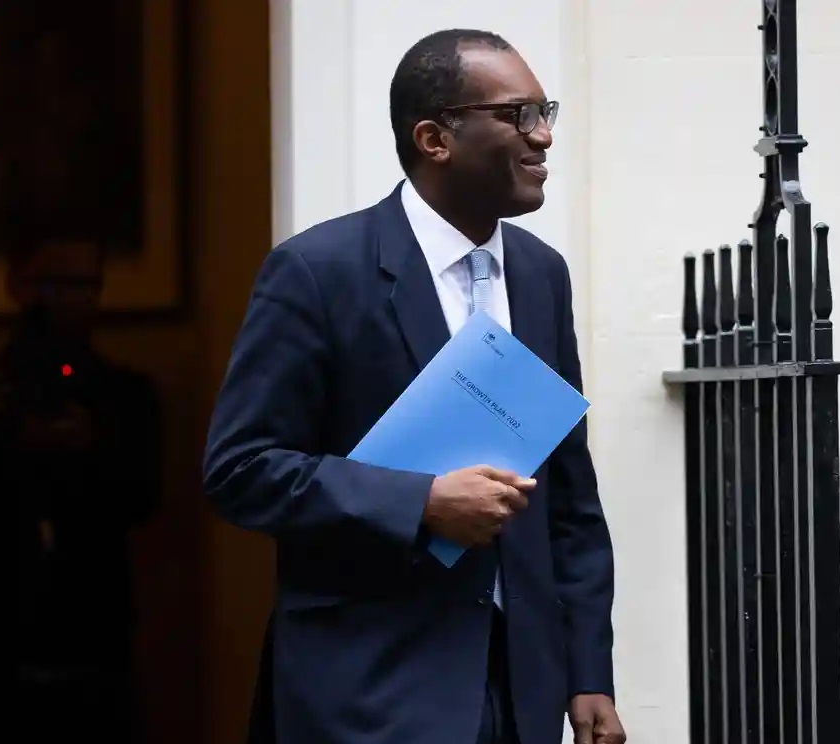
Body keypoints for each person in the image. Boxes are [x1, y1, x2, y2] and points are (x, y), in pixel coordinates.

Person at [203, 28, 625, 744]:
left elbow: (569, 496)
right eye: (517, 114)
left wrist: (588, 671)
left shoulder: (539, 273)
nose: (544, 136)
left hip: (520, 690)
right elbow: (242, 470)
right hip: (370, 689)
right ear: (435, 138)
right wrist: (421, 502)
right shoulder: (317, 271)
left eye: (544, 111)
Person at [0, 234, 161, 744]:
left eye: (86, 284)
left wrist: (93, 447)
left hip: (91, 629)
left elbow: (143, 500)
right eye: (55, 283)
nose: (73, 299)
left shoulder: (126, 395)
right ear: (17, 285)